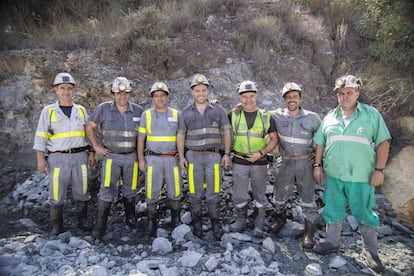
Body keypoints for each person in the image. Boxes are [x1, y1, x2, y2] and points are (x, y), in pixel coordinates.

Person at [312, 75, 391, 273]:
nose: (345, 96)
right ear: (337, 95)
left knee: (364, 211)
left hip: (361, 176)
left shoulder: (371, 115)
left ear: (357, 93)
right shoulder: (330, 116)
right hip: (334, 175)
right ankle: (332, 242)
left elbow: (383, 143)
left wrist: (379, 170)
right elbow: (320, 143)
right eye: (341, 93)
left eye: (349, 92)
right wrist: (317, 165)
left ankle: (371, 252)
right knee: (333, 208)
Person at [33, 72, 95, 235]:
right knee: (56, 192)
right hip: (57, 157)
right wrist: (40, 159)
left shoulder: (81, 111)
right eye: (62, 88)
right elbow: (40, 136)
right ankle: (57, 226)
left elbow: (89, 134)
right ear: (56, 90)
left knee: (82, 191)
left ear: (74, 90)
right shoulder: (49, 112)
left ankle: (82, 222)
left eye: (69, 88)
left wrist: (92, 152)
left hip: (80, 156)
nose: (66, 92)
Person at [86, 77, 143, 239]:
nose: (122, 96)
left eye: (125, 93)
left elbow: (145, 133)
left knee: (131, 189)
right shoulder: (103, 109)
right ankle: (100, 225)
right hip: (112, 157)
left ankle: (130, 218)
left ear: (130, 94)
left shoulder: (138, 111)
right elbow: (89, 126)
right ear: (113, 94)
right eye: (118, 93)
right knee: (106, 190)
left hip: (132, 157)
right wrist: (96, 147)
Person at [177, 73, 232, 240]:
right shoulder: (185, 112)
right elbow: (180, 135)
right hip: (193, 157)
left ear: (207, 91)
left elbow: (227, 132)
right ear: (192, 92)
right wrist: (181, 157)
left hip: (213, 158)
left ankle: (216, 225)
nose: (200, 93)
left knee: (214, 192)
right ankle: (197, 225)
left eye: (203, 90)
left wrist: (227, 154)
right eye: (197, 90)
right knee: (194, 192)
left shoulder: (218, 110)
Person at [271, 82, 321, 249]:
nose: (292, 100)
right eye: (288, 97)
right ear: (284, 100)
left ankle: (308, 234)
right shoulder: (277, 115)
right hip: (285, 161)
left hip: (305, 162)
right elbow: (255, 112)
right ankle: (280, 220)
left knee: (308, 198)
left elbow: (323, 140)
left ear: (300, 98)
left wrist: (318, 160)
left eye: (295, 96)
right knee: (279, 195)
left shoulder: (312, 118)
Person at [228, 80, 278, 237]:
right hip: (239, 160)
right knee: (239, 194)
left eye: (251, 96)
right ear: (240, 98)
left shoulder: (266, 116)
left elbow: (275, 140)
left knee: (259, 194)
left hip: (260, 162)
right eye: (244, 96)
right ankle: (241, 220)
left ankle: (259, 223)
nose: (248, 100)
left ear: (256, 96)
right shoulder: (233, 115)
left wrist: (261, 154)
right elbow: (224, 132)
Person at [137, 81, 183, 237]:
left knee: (175, 190)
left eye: (162, 95)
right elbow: (140, 139)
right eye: (156, 96)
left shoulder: (177, 114)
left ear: (167, 97)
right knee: (151, 190)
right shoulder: (147, 115)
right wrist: (141, 159)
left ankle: (176, 220)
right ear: (152, 98)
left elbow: (181, 136)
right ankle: (152, 222)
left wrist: (181, 155)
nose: (160, 98)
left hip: (172, 159)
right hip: (152, 159)